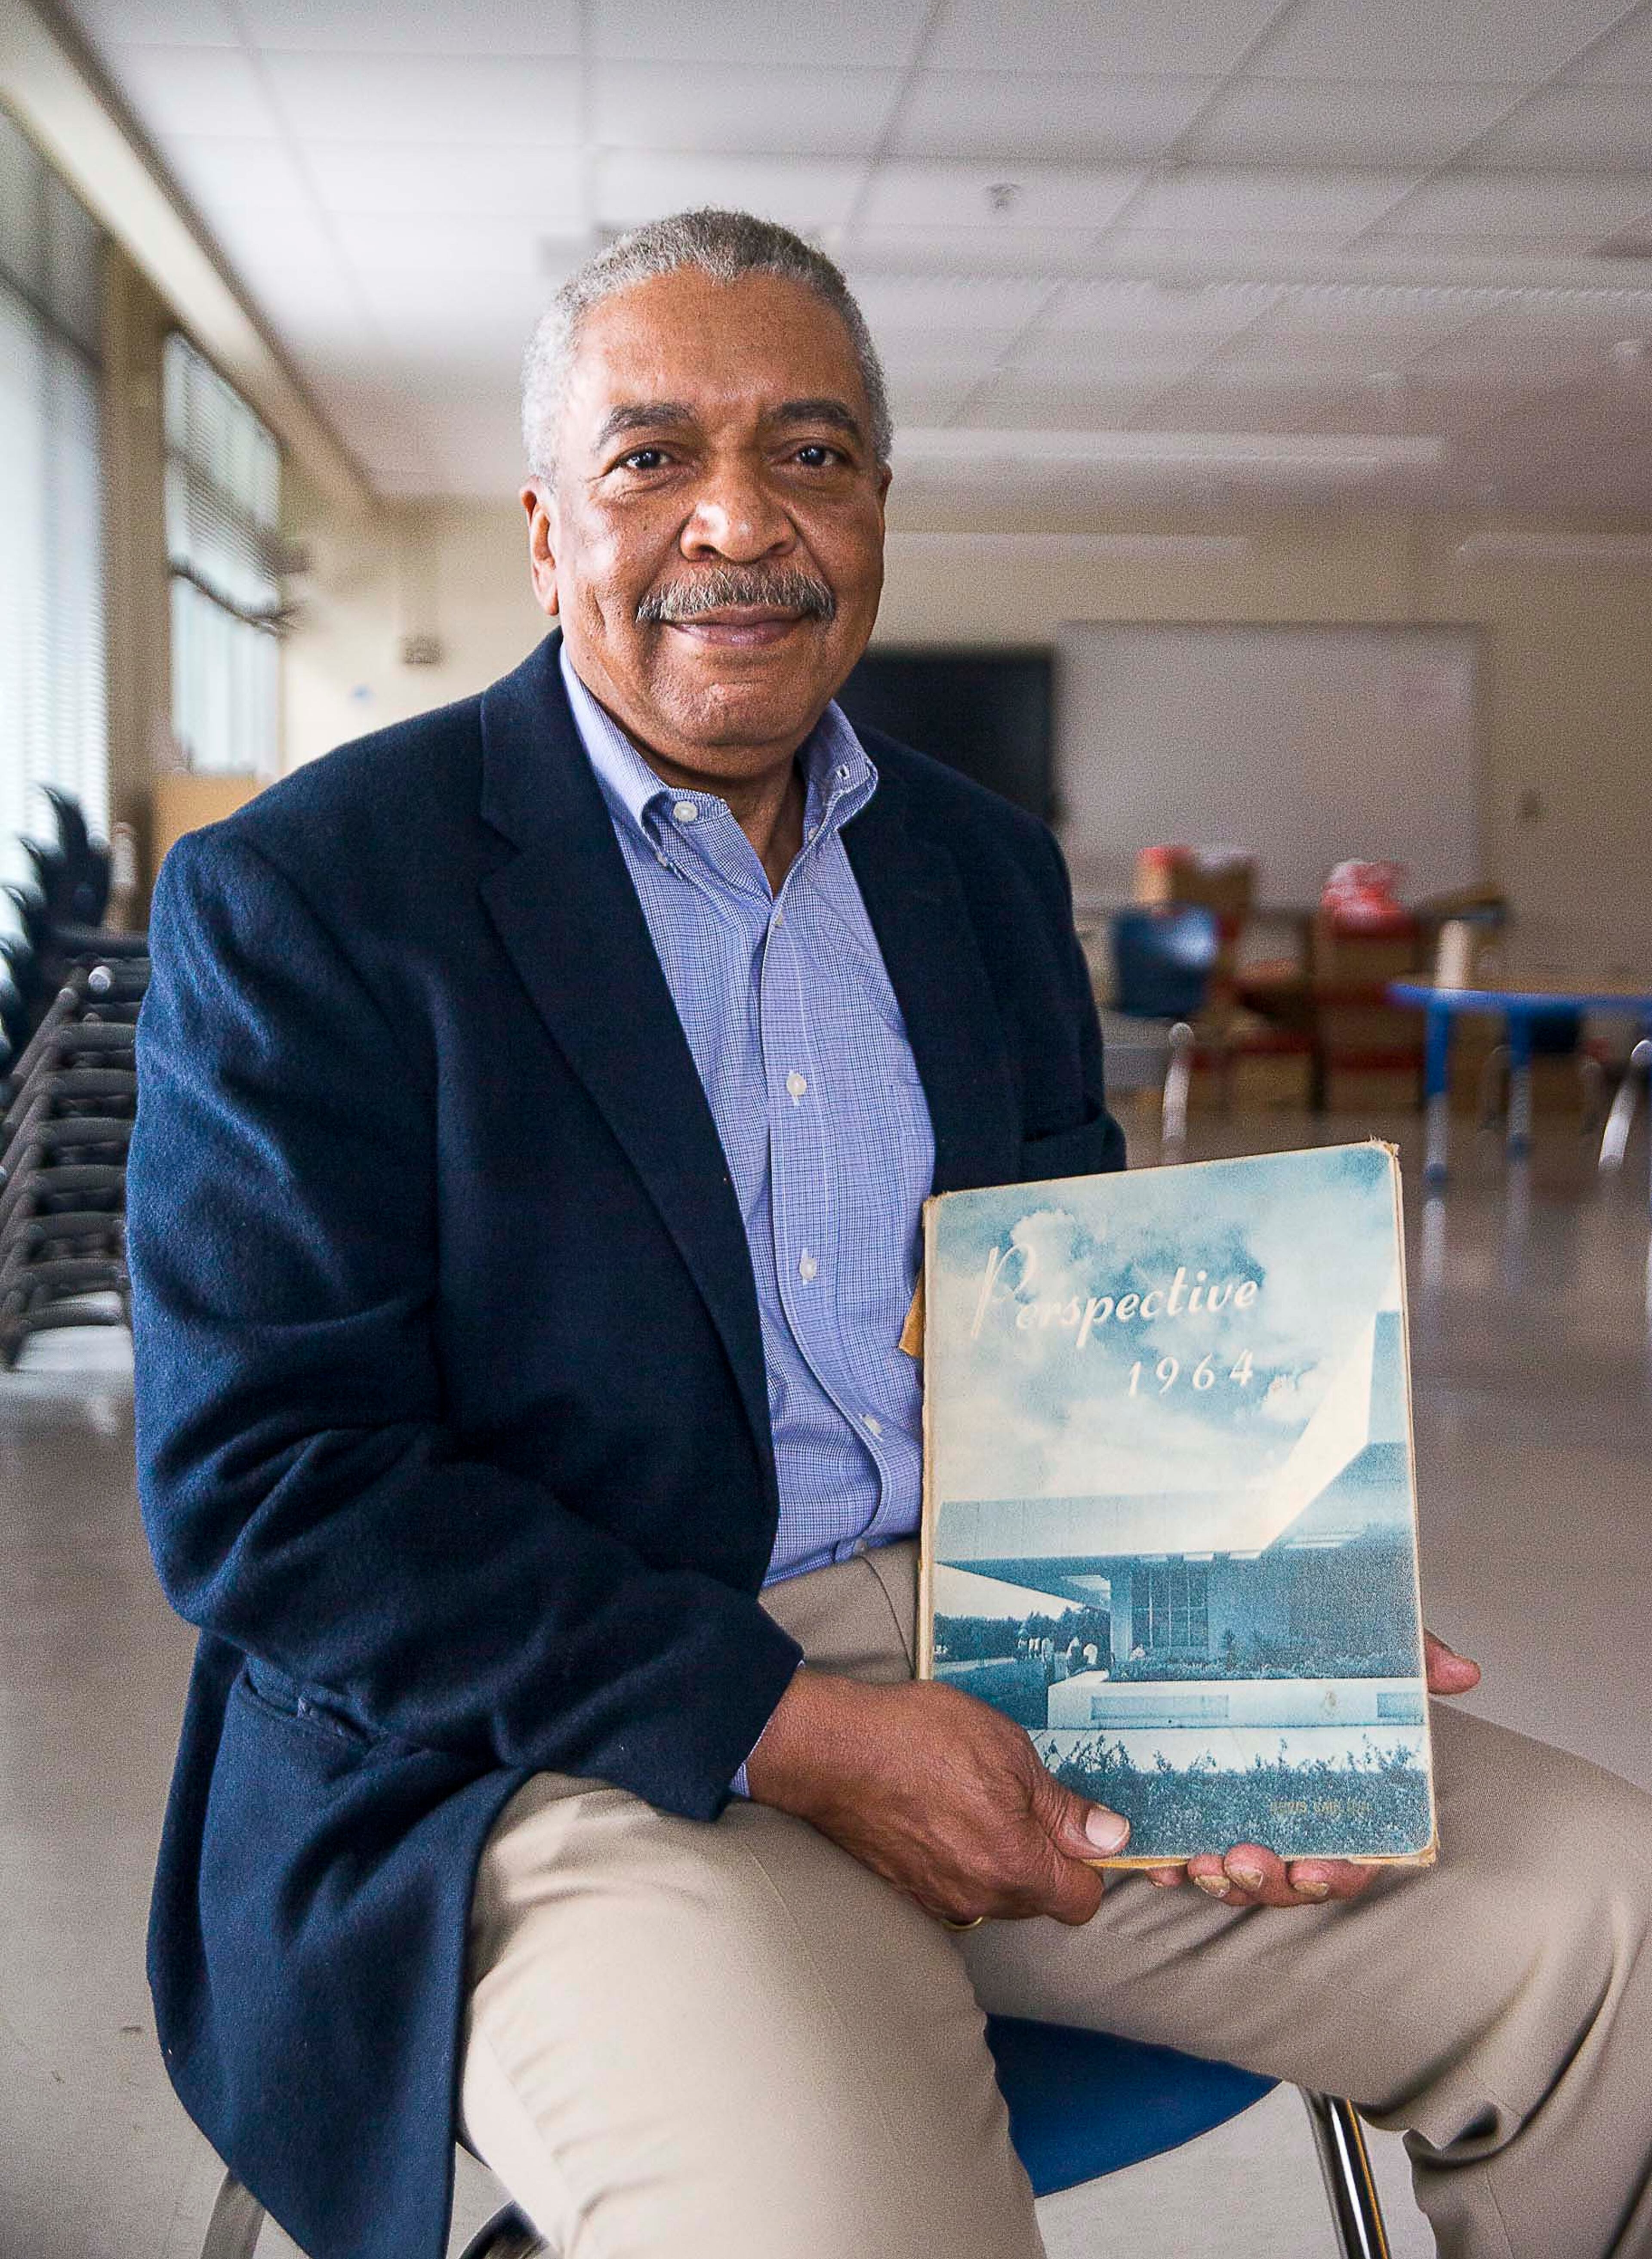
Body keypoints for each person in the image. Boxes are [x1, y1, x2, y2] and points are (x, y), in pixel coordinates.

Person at [128, 210, 1652, 2259]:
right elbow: (270, 1493)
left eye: (813, 454)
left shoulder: (987, 876)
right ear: (545, 528)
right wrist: (799, 1729)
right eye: (654, 456)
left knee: (1618, 1936)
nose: (739, 520)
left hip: (1027, 1659)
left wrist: (1262, 1629)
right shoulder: (315, 897)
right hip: (567, 1739)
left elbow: (1085, 1339)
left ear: (877, 511)